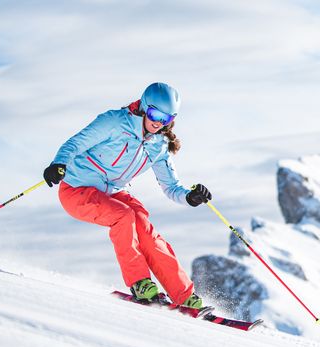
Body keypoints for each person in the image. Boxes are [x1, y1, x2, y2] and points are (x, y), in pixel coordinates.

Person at [43, 82, 212, 309]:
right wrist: (58, 163)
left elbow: (171, 187)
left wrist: (190, 197)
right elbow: (76, 143)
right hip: (77, 189)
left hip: (111, 193)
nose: (158, 123)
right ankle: (140, 283)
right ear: (144, 107)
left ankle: (184, 295)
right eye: (154, 114)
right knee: (123, 215)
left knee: (144, 227)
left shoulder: (159, 145)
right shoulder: (114, 122)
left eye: (166, 119)